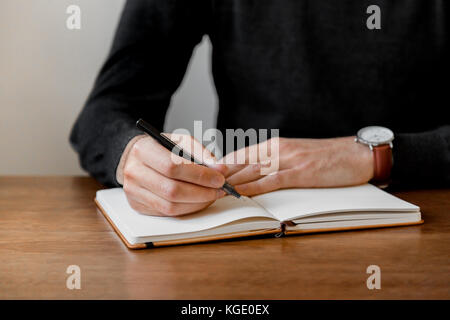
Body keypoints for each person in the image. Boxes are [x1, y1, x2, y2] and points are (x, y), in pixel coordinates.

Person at [70, 0, 449, 216]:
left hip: (424, 216)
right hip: (250, 221)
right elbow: (106, 111)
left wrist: (373, 157)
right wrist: (133, 153)